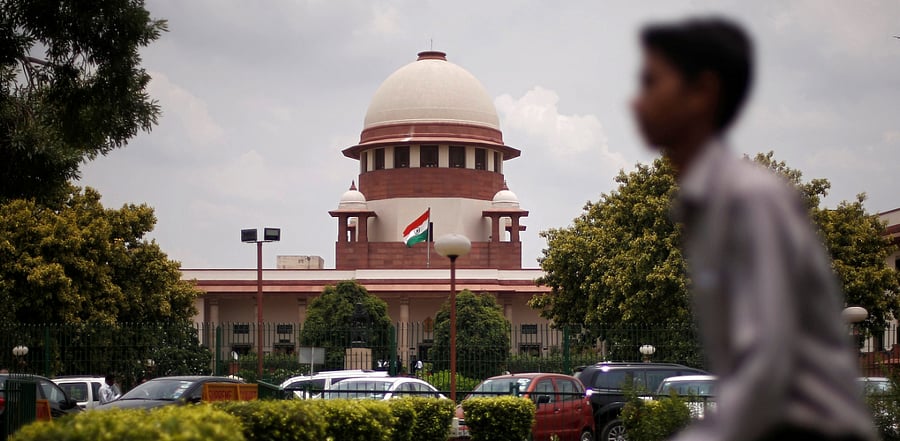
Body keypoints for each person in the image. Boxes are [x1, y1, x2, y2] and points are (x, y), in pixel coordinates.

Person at [631, 17, 875, 441]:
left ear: (703, 93)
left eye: (652, 83)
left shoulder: (748, 199)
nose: (636, 102)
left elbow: (769, 363)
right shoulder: (707, 203)